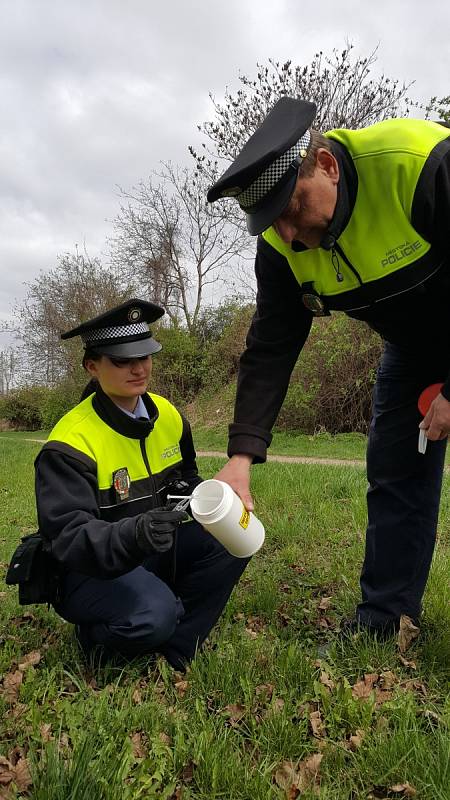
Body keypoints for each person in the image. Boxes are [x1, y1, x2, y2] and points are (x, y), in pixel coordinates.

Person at [206, 96, 450, 636]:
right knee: (395, 476)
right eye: (273, 221)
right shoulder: (281, 247)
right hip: (411, 350)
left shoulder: (419, 164)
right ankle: (387, 623)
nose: (289, 234)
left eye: (292, 208)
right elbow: (271, 345)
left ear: (328, 166)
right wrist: (242, 456)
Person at [34, 298, 249, 669]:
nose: (139, 369)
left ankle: (176, 649)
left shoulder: (168, 415)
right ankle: (97, 640)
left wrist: (211, 500)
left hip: (151, 548)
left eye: (145, 356)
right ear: (92, 366)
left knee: (235, 537)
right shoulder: (70, 443)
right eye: (122, 361)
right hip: (88, 569)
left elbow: (184, 479)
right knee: (153, 615)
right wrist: (136, 534)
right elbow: (68, 539)